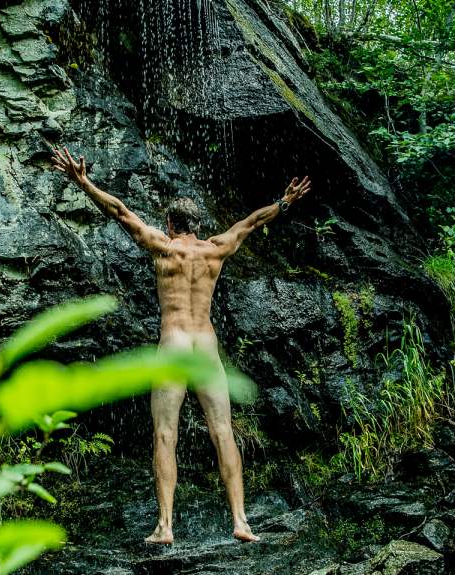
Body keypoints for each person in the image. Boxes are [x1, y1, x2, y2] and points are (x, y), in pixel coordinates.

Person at [51, 146, 312, 544]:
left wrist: (83, 182)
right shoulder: (216, 248)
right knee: (223, 430)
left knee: (164, 434)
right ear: (198, 225)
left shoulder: (164, 246)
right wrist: (285, 201)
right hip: (204, 344)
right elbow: (253, 221)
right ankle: (241, 521)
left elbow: (120, 211)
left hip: (174, 342)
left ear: (170, 223)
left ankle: (165, 526)